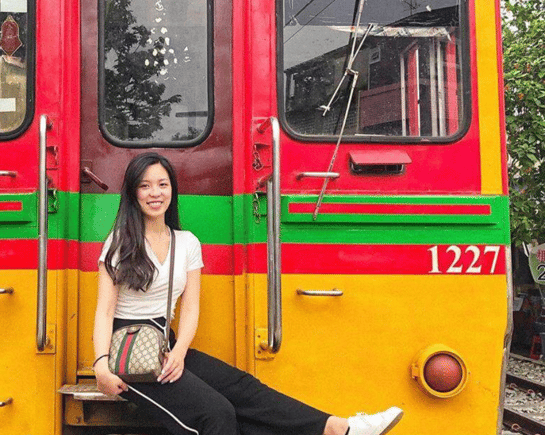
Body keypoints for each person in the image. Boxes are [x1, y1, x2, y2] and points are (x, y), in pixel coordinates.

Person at [93, 152, 404, 435]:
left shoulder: (187, 243)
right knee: (216, 414)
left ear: (172, 190)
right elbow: (105, 311)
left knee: (243, 389)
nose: (155, 193)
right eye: (145, 186)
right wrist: (101, 365)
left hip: (166, 342)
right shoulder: (119, 243)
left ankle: (339, 429)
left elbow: (189, 309)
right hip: (129, 354)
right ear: (133, 193)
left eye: (162, 184)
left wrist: (179, 352)